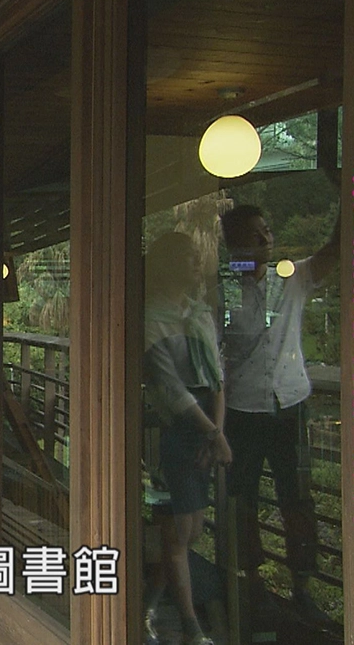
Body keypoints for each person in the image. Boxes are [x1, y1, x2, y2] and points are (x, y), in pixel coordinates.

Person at [220, 203, 340, 621]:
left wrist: (342, 191)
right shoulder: (223, 290)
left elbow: (333, 251)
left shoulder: (290, 277)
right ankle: (251, 585)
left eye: (267, 230)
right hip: (242, 410)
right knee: (243, 499)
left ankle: (302, 586)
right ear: (235, 244)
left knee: (297, 498)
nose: (266, 238)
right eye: (254, 234)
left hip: (290, 404)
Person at [142, 232, 230, 645]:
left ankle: (149, 604)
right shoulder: (152, 318)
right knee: (181, 531)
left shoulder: (199, 313)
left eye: (199, 257)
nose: (198, 263)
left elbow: (217, 377)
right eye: (188, 257)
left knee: (190, 531)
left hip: (207, 427)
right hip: (177, 428)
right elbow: (170, 387)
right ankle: (192, 626)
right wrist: (213, 432)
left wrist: (217, 432)